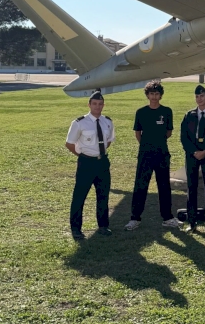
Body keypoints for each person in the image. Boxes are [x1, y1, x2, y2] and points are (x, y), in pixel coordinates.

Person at [124, 81, 180, 231]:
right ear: (147, 95)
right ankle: (135, 218)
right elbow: (138, 133)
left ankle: (167, 217)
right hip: (145, 155)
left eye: (157, 94)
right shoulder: (141, 112)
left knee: (164, 187)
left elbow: (169, 132)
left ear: (161, 95)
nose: (154, 97)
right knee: (140, 186)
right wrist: (147, 145)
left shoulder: (167, 111)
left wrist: (157, 142)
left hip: (162, 154)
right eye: (151, 94)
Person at [65, 91, 115, 240]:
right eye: (94, 104)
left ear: (103, 105)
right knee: (79, 197)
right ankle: (76, 229)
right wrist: (83, 156)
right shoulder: (79, 123)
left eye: (100, 104)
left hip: (102, 163)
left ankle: (103, 226)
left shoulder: (108, 121)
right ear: (89, 105)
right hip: (86, 163)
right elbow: (69, 143)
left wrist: (99, 153)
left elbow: (109, 140)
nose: (97, 107)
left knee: (103, 196)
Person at [180, 84, 205, 233]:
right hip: (192, 156)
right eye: (197, 96)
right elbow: (184, 137)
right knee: (192, 188)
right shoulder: (189, 115)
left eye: (202, 96)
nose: (199, 99)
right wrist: (194, 151)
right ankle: (192, 221)